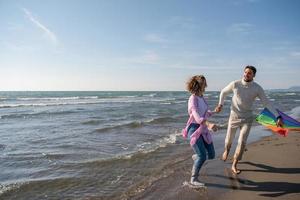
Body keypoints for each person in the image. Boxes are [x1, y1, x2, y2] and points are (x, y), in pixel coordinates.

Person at [215, 66, 283, 174]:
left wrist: (277, 116)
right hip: (234, 117)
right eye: (245, 72)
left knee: (242, 142)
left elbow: (266, 103)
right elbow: (223, 92)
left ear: (253, 75)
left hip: (247, 118)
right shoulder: (235, 84)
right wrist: (220, 104)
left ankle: (234, 164)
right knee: (228, 141)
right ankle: (227, 150)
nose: (246, 74)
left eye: (249, 73)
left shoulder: (257, 88)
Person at [182, 75, 218, 187]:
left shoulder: (202, 97)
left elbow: (205, 113)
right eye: (202, 83)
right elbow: (197, 117)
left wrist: (215, 111)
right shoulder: (193, 99)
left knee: (211, 155)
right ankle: (193, 179)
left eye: (204, 83)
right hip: (194, 129)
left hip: (203, 128)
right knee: (203, 156)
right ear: (197, 85)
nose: (204, 85)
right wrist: (208, 124)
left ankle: (197, 157)